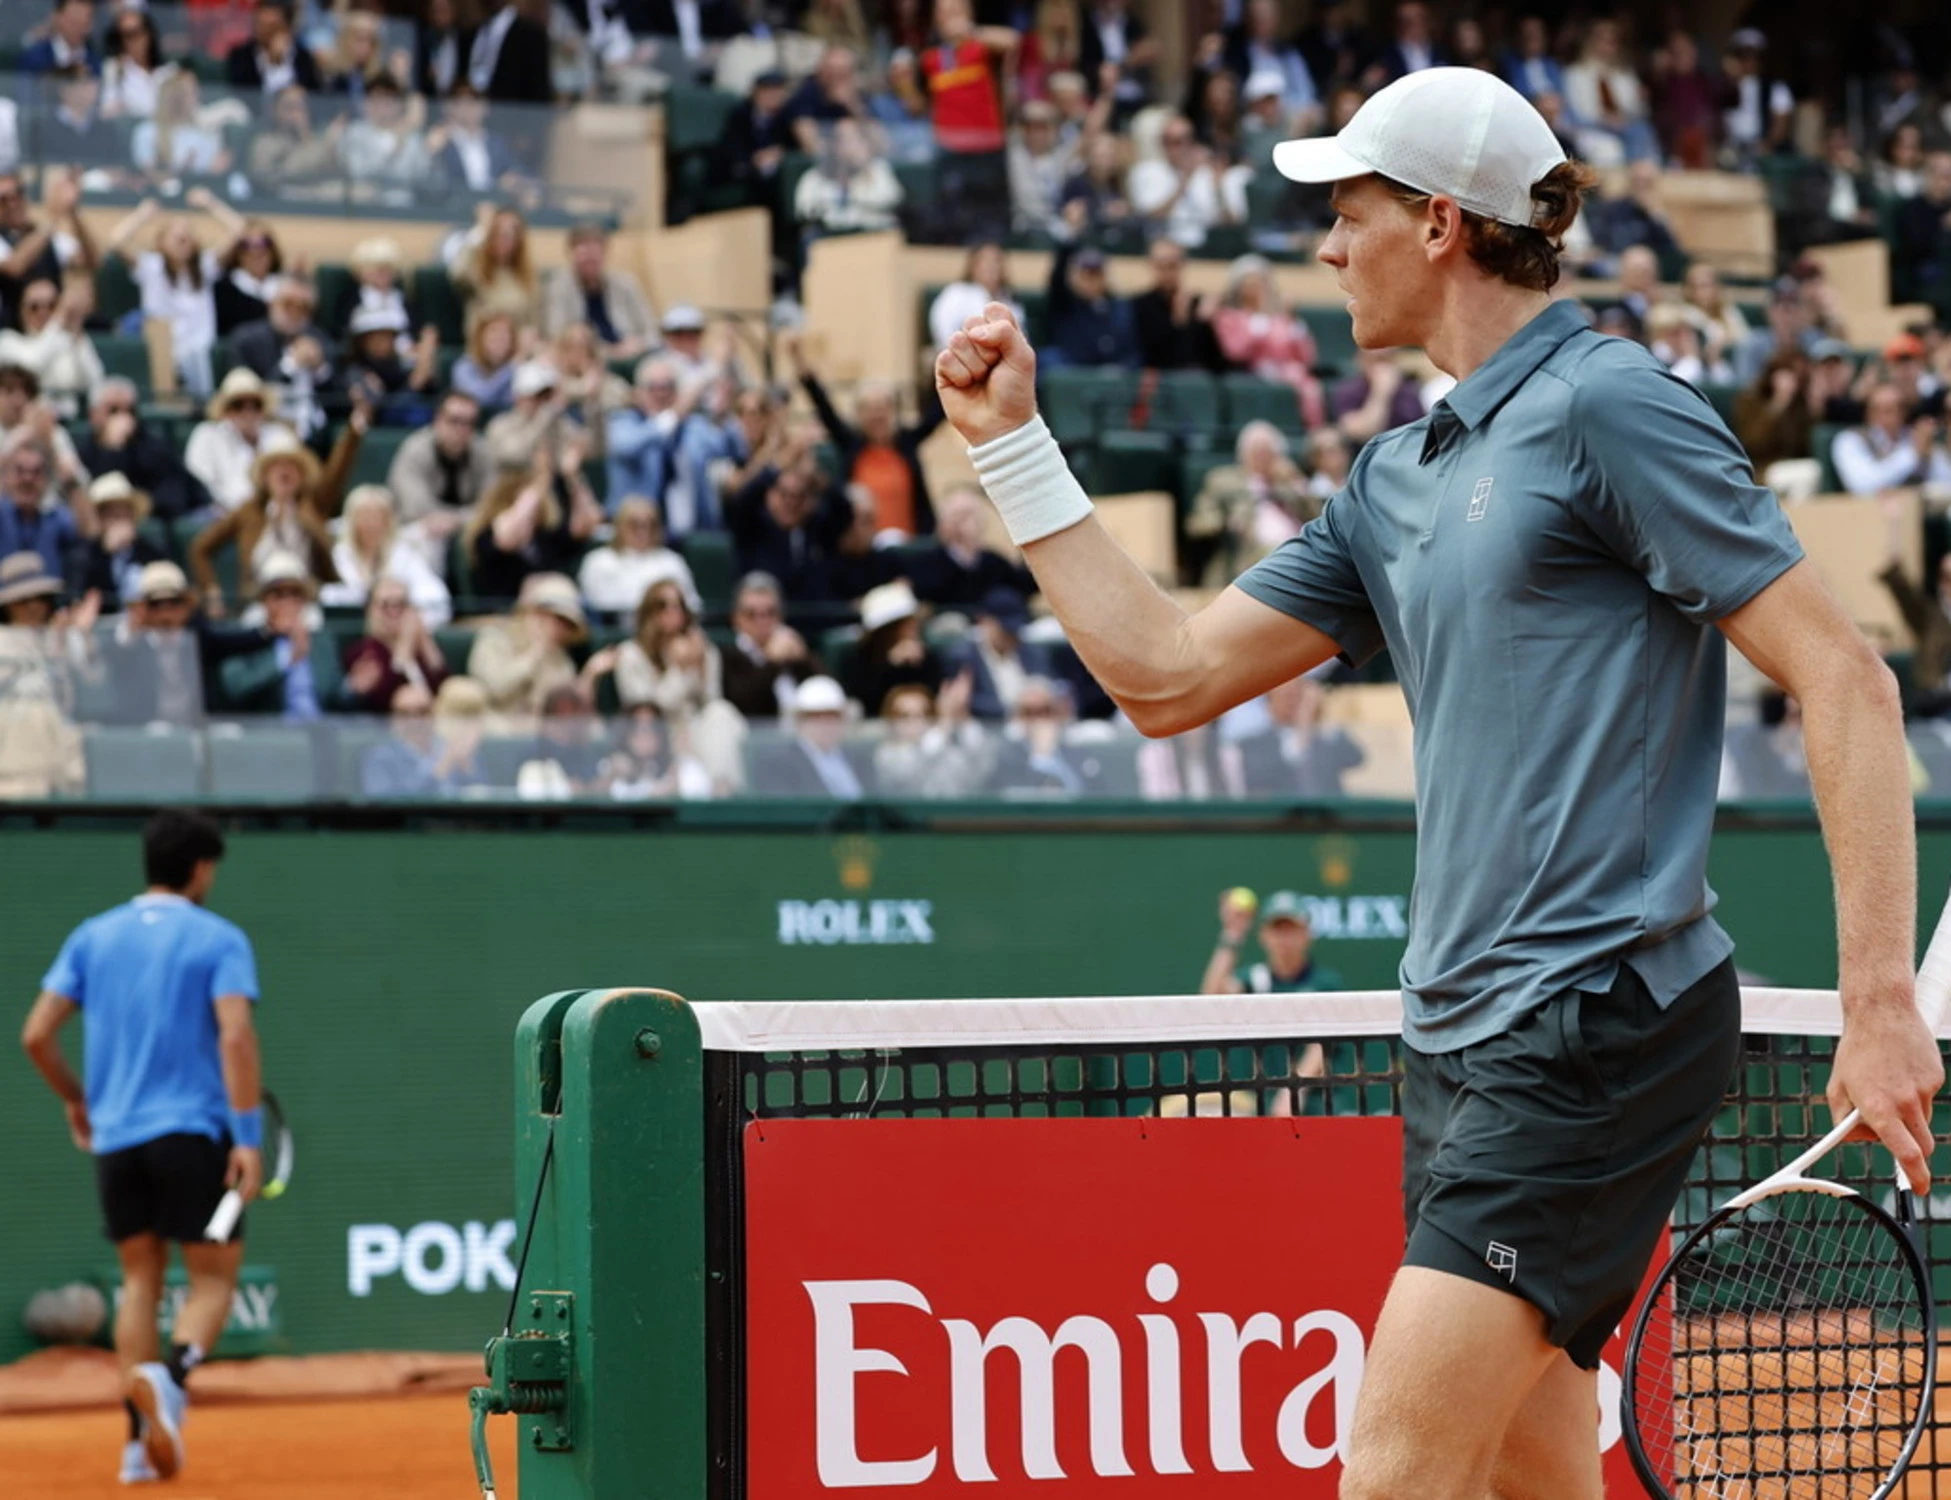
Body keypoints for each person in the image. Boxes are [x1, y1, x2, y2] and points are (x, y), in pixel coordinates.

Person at [931, 65, 1941, 1499]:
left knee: (1397, 1459)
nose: (1324, 248)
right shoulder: (1388, 480)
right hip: (1452, 1041)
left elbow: (1843, 676)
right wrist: (1011, 451)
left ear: (1435, 223)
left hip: (1597, 1017)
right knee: (1528, 1470)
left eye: (1343, 213)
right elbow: (1162, 675)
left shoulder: (1609, 407)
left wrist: (1877, 1000)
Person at [20, 810, 263, 1485]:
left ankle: (135, 1449)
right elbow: (236, 1038)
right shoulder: (219, 939)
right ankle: (174, 1379)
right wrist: (247, 1138)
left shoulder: (92, 936)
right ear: (199, 870)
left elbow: (36, 1035)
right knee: (212, 1278)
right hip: (193, 1136)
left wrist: (78, 1099)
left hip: (118, 1142)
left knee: (138, 1281)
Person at [788, 335, 944, 538]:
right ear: (859, 414)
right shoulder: (851, 444)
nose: (878, 415)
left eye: (883, 407)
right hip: (863, 549)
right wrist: (800, 362)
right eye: (870, 409)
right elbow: (825, 408)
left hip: (908, 547)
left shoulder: (907, 441)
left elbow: (936, 414)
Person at [205, 553, 341, 718]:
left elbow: (335, 696)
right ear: (263, 600)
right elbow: (235, 688)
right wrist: (286, 659)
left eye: (294, 594)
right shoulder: (242, 637)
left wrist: (354, 689)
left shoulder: (321, 638)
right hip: (269, 735)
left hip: (319, 731)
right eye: (277, 594)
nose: (286, 602)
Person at [1185, 420, 1318, 587]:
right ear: (1242, 454)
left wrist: (1296, 480)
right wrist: (1224, 522)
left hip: (1299, 550)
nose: (1261, 457)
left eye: (1267, 452)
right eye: (1255, 451)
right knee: (1282, 556)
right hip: (1251, 555)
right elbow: (1199, 521)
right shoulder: (1223, 480)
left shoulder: (1288, 482)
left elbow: (1317, 517)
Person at [387, 391, 496, 576]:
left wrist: (455, 520)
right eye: (454, 420)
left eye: (469, 423)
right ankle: (432, 600)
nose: (461, 430)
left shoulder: (483, 452)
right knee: (426, 536)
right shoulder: (415, 449)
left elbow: (491, 504)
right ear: (438, 420)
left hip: (466, 526)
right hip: (416, 527)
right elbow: (414, 507)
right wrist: (457, 518)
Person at [320, 484, 451, 626]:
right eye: (364, 516)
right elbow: (328, 597)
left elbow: (434, 597)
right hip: (350, 630)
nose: (370, 523)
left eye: (377, 516)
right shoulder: (339, 555)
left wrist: (403, 614)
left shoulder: (403, 555)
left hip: (396, 630)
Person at [467, 570, 589, 714]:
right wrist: (535, 654)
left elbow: (556, 710)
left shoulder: (560, 660)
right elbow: (496, 690)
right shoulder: (494, 639)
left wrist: (589, 676)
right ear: (533, 613)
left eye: (567, 625)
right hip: (494, 729)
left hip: (541, 733)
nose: (560, 630)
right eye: (556, 619)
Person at [907, 481, 1033, 608]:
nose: (966, 523)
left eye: (971, 515)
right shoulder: (929, 562)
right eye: (960, 516)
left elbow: (1026, 586)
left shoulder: (992, 561)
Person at [540, 221, 655, 360]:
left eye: (595, 253)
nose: (590, 258)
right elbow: (556, 334)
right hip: (585, 359)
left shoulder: (626, 283)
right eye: (584, 253)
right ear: (571, 254)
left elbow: (650, 328)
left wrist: (637, 344)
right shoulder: (558, 288)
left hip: (632, 354)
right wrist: (603, 350)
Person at [336, 576, 449, 714]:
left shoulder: (420, 648)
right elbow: (383, 696)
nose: (393, 612)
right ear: (370, 610)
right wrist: (404, 647)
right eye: (385, 605)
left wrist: (425, 644)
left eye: (400, 605)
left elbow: (444, 687)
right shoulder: (363, 652)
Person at [1201, 886, 1343, 994]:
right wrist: (1233, 933)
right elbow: (1212, 997)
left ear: (1307, 934)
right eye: (1278, 929)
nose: (1284, 938)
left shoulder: (1326, 985)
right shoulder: (1252, 980)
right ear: (1263, 935)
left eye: (1291, 929)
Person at [750, 673, 873, 796]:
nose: (825, 725)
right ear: (799, 721)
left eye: (833, 716)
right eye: (816, 717)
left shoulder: (859, 759)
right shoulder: (777, 764)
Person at [577, 495, 698, 618]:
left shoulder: (672, 561)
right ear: (619, 526)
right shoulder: (598, 561)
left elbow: (691, 606)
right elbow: (600, 607)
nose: (642, 532)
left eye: (650, 525)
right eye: (634, 525)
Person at [721, 571, 822, 718]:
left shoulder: (790, 647)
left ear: (781, 616)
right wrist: (772, 662)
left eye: (770, 613)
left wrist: (803, 659)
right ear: (736, 619)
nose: (762, 621)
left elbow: (825, 689)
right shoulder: (728, 655)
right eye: (751, 614)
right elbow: (745, 705)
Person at [944, 585, 1054, 719]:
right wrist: (1017, 707)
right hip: (987, 728)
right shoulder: (964, 656)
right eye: (1004, 629)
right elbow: (970, 703)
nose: (1011, 635)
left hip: (1032, 725)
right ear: (984, 621)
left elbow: (1051, 690)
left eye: (1014, 630)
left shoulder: (1032, 651)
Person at [0, 276, 103, 419]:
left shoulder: (68, 339)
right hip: (28, 421)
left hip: (68, 419)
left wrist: (76, 331)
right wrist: (59, 318)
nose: (43, 313)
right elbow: (30, 368)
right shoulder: (9, 341)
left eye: (52, 306)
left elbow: (93, 380)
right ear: (21, 311)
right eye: (34, 307)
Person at [69, 472, 170, 612]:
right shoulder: (85, 556)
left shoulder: (151, 552)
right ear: (100, 518)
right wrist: (106, 555)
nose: (120, 521)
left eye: (125, 514)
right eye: (112, 515)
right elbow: (78, 596)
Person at [1833, 383, 1951, 497]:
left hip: (1916, 511)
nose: (1895, 416)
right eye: (1887, 410)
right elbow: (1864, 487)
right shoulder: (1849, 440)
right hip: (1867, 514)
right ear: (1869, 414)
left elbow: (1947, 483)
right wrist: (1913, 454)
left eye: (1900, 408)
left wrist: (1929, 454)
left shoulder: (1912, 437)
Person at [1132, 236, 1222, 371]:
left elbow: (1212, 360)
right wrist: (1178, 323)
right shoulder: (1139, 305)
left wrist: (1204, 323)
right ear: (1151, 265)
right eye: (1161, 266)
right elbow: (1151, 355)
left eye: (1172, 266)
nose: (1167, 273)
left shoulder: (1197, 305)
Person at [225, 0, 323, 94]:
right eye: (260, 25)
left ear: (287, 27)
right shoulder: (241, 57)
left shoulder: (303, 58)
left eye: (272, 27)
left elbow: (314, 96)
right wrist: (272, 63)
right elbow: (243, 94)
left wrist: (280, 63)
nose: (265, 32)